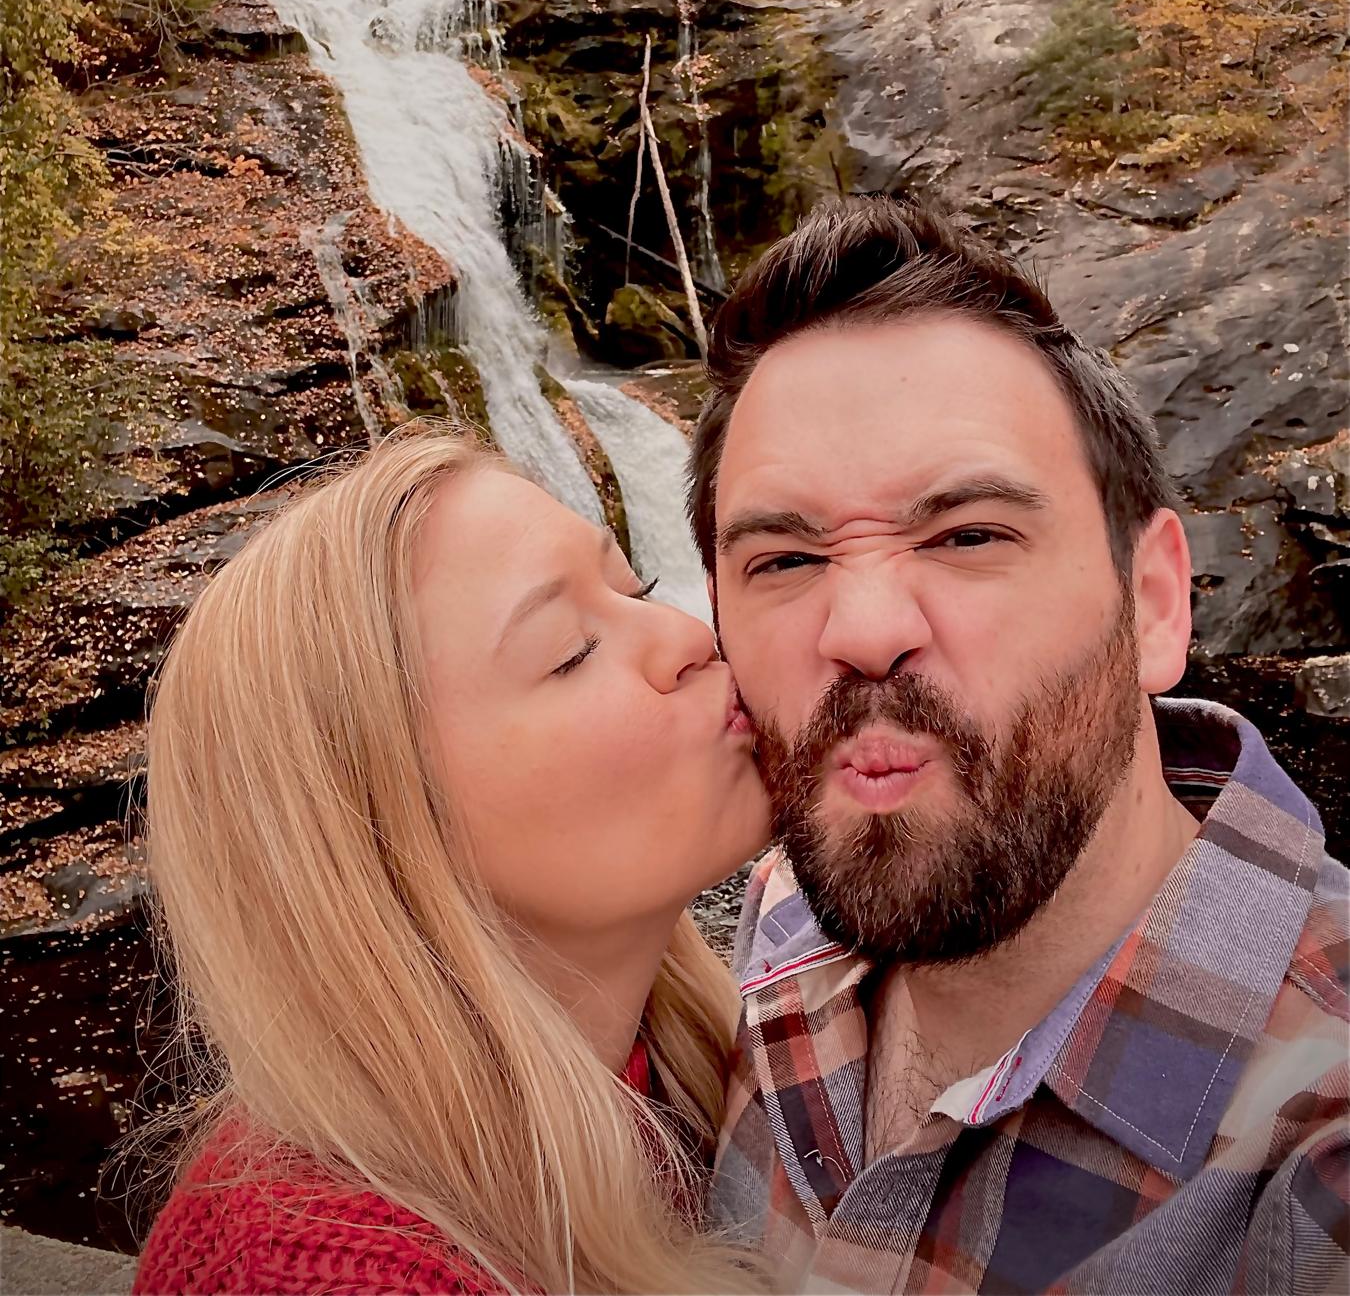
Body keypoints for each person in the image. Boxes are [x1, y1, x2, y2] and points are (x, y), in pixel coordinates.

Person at [692, 196, 1348, 1295]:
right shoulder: (782, 914)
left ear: (1152, 603)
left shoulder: (1318, 1155)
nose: (861, 633)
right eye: (785, 561)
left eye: (967, 536)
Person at [132, 425, 768, 1295]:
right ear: (383, 834)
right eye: (570, 652)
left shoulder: (686, 1067)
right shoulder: (322, 1273)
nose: (687, 636)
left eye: (637, 587)